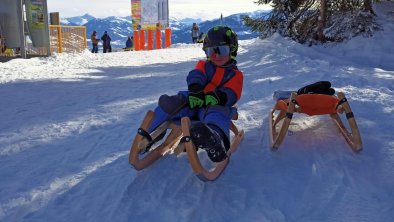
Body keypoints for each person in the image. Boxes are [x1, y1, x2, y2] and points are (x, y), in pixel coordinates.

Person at [145, 26, 243, 163]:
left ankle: (215, 140)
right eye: (210, 51)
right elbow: (196, 75)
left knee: (217, 115)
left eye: (221, 50)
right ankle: (149, 133)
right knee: (176, 102)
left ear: (232, 50)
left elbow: (233, 92)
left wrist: (219, 97)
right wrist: (195, 88)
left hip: (215, 105)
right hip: (195, 100)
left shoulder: (235, 75)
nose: (216, 55)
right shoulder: (204, 65)